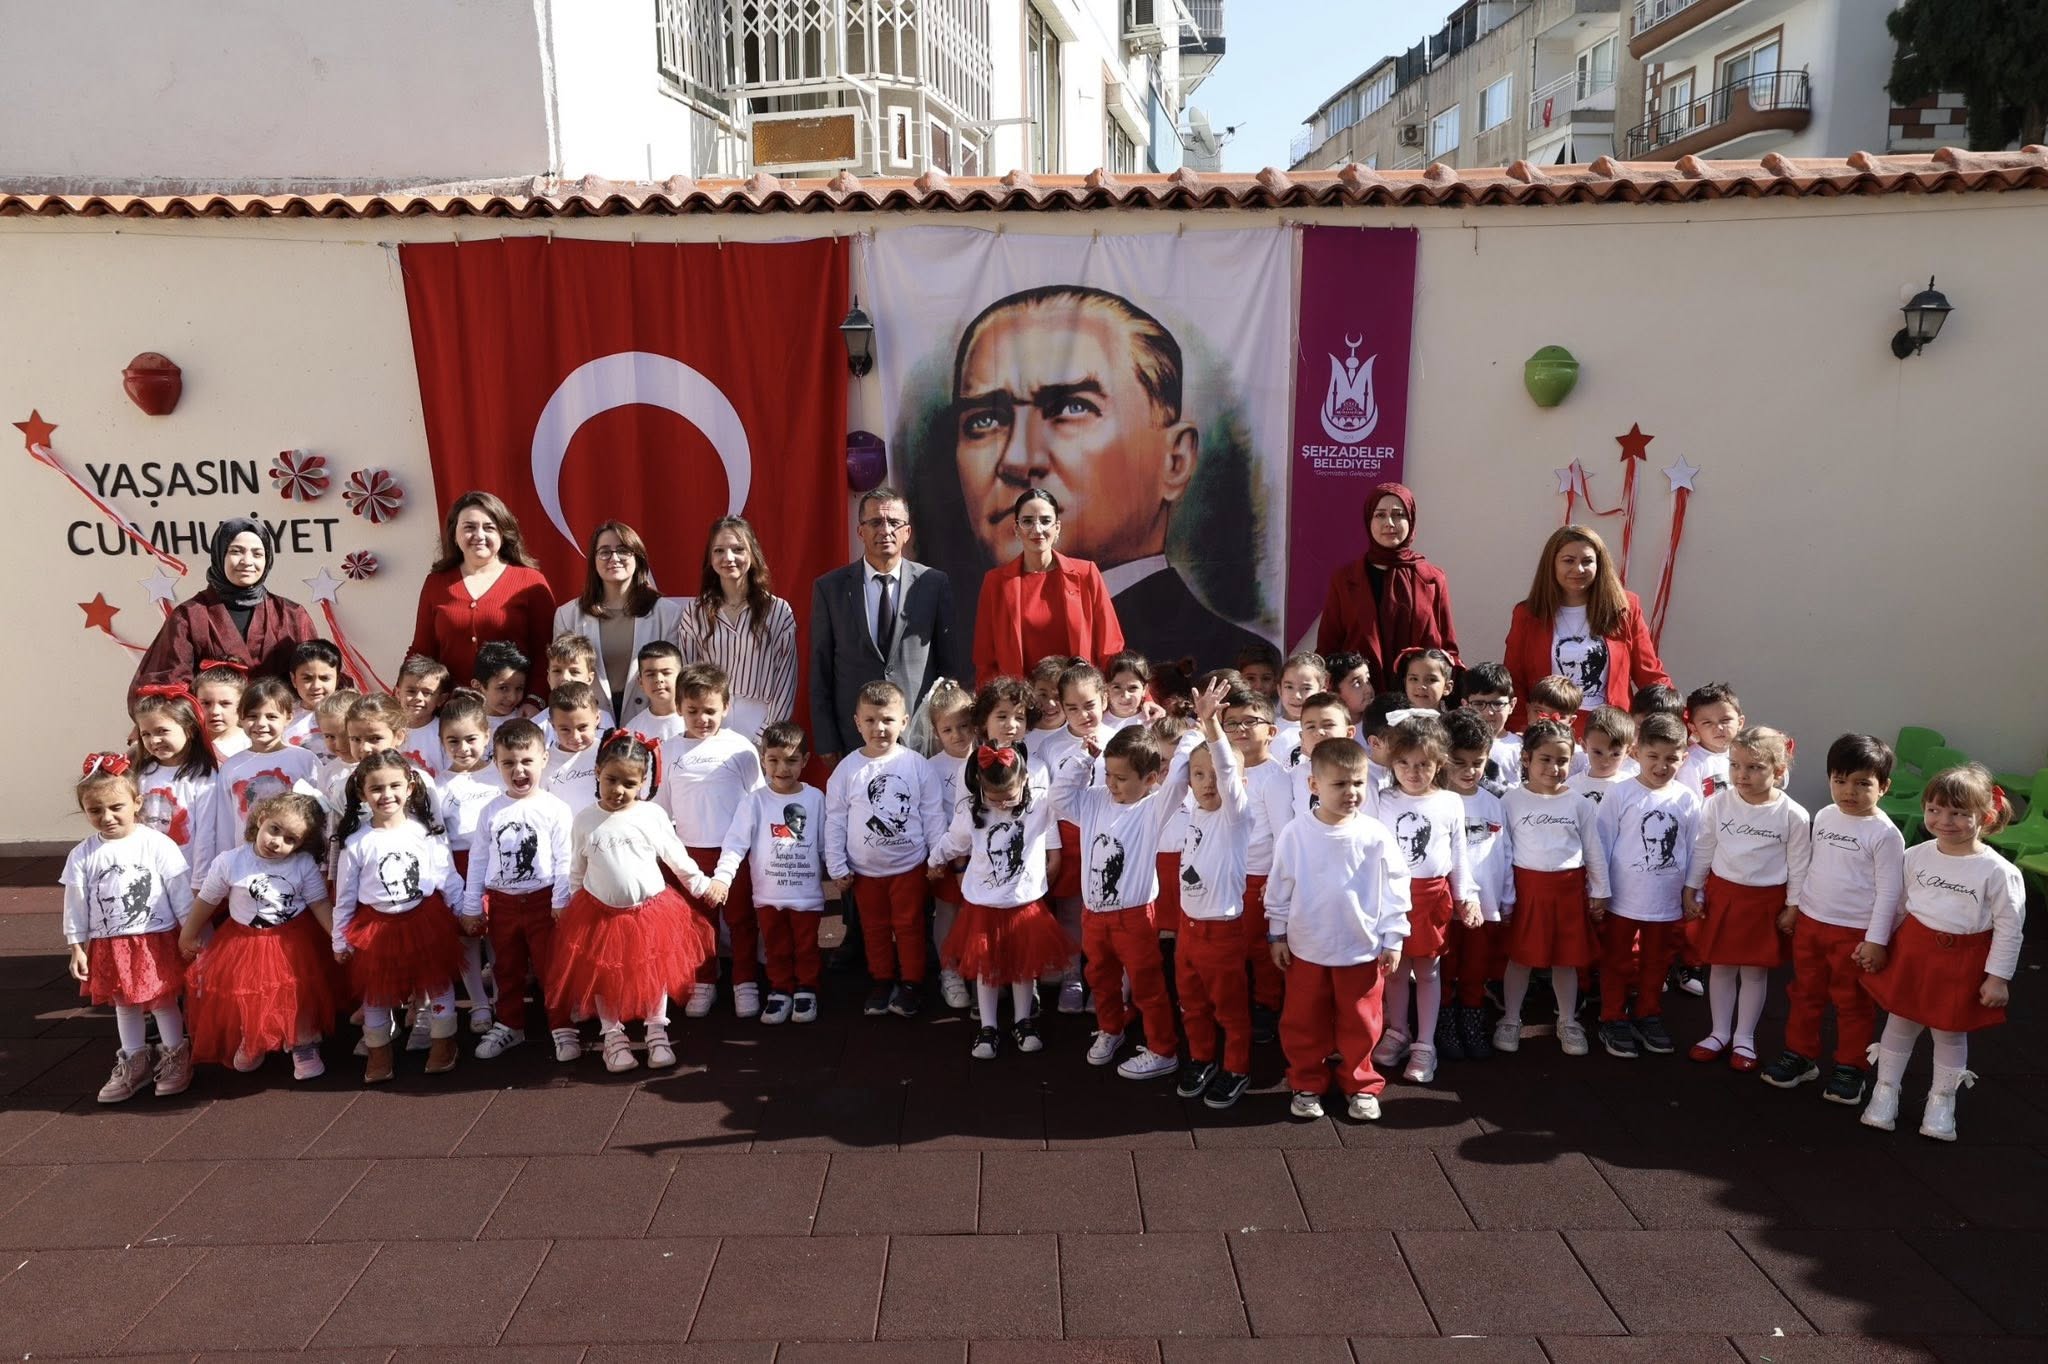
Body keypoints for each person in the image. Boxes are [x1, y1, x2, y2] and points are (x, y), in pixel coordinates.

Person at [948, 284, 1270, 670]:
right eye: (985, 419)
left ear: (1176, 460)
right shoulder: (956, 642)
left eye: (1070, 407)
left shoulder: (1229, 660)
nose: (1016, 459)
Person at [1858, 763, 2026, 1141]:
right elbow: (1897, 905)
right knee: (1899, 1022)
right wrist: (1877, 941)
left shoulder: (1998, 872)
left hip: (1962, 964)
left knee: (1949, 1033)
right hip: (1913, 955)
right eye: (1934, 810)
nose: (1944, 820)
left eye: (1958, 813)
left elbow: (2009, 928)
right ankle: (1886, 1091)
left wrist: (1998, 977)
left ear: (1985, 816)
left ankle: (1942, 1099)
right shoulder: (1916, 855)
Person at [551, 732, 717, 1074]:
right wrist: (568, 902)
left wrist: (701, 884)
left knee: (653, 971)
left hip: (650, 912)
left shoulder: (650, 815)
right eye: (612, 780)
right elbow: (576, 868)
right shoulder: (584, 820)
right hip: (599, 915)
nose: (619, 791)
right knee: (605, 975)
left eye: (629, 783)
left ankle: (657, 1031)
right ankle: (613, 1037)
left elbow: (676, 856)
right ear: (597, 771)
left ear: (643, 782)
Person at [1266, 737, 1410, 1123]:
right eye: (1340, 784)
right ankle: (1307, 1081)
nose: (1351, 793)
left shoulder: (1375, 834)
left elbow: (1396, 887)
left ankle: (1360, 1083)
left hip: (1360, 949)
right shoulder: (1296, 833)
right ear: (1314, 785)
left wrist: (1393, 937)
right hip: (1306, 948)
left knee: (1361, 1023)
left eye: (1358, 783)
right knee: (1302, 1021)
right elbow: (1280, 884)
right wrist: (1276, 933)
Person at [1050, 719, 1194, 1081]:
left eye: (1122, 777)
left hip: (1135, 918)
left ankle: (1163, 1050)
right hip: (1093, 917)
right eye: (1109, 774)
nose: (1112, 783)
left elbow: (1177, 779)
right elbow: (1059, 798)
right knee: (1100, 978)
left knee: (1147, 985)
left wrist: (1195, 731)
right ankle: (1110, 1030)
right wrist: (1085, 756)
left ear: (1149, 779)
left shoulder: (1154, 807)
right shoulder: (1095, 799)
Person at [1762, 734, 1903, 1103]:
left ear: (1883, 787)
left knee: (1852, 1001)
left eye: (1862, 783)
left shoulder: (1885, 834)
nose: (1849, 791)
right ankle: (1800, 1054)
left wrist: (1876, 940)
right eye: (1840, 781)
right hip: (1811, 924)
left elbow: (1890, 891)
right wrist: (1796, 908)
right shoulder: (1824, 815)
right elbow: (1810, 866)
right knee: (1804, 993)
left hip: (1855, 934)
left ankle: (1851, 1067)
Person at [64, 753, 195, 1103]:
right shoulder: (82, 855)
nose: (107, 817)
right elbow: (76, 904)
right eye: (95, 811)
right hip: (111, 944)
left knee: (163, 1001)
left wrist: (190, 932)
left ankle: (175, 1056)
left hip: (155, 939)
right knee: (124, 1004)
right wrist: (77, 945)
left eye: (116, 807)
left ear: (137, 803)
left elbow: (180, 892)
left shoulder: (156, 843)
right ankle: (135, 1059)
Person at [930, 740, 1071, 1059]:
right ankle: (988, 1027)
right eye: (994, 798)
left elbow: (1065, 793)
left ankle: (1023, 1022)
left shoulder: (1039, 808)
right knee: (986, 969)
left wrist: (1084, 761)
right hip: (984, 907)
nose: (1003, 803)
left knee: (1023, 968)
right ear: (980, 787)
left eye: (1009, 796)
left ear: (1024, 781)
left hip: (1024, 906)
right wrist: (935, 859)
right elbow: (956, 841)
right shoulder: (972, 812)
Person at [332, 750, 466, 1083]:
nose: (386, 795)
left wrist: (464, 911)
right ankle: (379, 1051)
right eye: (376, 788)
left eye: (394, 786)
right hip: (377, 928)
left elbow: (446, 876)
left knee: (438, 982)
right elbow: (345, 896)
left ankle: (443, 1042)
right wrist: (339, 938)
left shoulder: (425, 833)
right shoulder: (357, 843)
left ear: (409, 787)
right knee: (376, 992)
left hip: (425, 920)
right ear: (363, 793)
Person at [181, 792, 335, 1080]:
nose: (277, 842)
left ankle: (303, 1043)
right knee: (248, 994)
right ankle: (253, 1039)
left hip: (292, 942)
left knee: (296, 991)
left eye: (290, 839)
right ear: (261, 819)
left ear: (302, 844)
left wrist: (336, 936)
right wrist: (188, 933)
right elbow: (207, 899)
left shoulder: (302, 865)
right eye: (274, 830)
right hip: (244, 942)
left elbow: (319, 903)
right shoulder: (231, 861)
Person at [1683, 727, 1810, 1073]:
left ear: (1779, 771)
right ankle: (1719, 1033)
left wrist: (1793, 906)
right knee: (1721, 967)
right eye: (1735, 765)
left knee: (1754, 973)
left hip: (1766, 903)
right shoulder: (1718, 803)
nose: (1742, 775)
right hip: (1724, 896)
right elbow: (1704, 847)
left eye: (1754, 767)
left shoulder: (1793, 815)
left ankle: (1744, 1038)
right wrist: (1691, 888)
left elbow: (1799, 865)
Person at [810, 487, 965, 767]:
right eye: (876, 523)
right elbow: (820, 668)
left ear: (907, 532)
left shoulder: (933, 583)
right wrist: (826, 740)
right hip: (854, 737)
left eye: (894, 523)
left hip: (918, 735)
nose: (886, 530)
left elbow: (950, 667)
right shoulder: (830, 588)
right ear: (860, 531)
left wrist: (947, 729)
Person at [824, 681, 947, 1018]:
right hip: (864, 872)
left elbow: (933, 813)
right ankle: (881, 980)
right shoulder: (847, 769)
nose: (879, 728)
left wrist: (937, 858)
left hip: (909, 867)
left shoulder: (917, 765)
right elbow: (834, 819)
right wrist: (836, 865)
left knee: (909, 926)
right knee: (874, 927)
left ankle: (911, 984)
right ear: (857, 722)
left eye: (888, 720)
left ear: (904, 722)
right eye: (871, 720)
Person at [655, 663, 766, 1021]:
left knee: (740, 919)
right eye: (692, 711)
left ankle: (745, 979)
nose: (702, 718)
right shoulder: (667, 750)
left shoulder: (740, 748)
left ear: (726, 707)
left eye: (710, 711)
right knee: (698, 923)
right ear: (678, 708)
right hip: (688, 856)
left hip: (734, 855)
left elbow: (759, 801)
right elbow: (661, 808)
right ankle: (705, 980)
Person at [1372, 717, 1479, 1086]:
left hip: (1433, 898)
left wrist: (1467, 896)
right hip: (1392, 899)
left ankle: (1425, 1044)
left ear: (1439, 763)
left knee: (1429, 970)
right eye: (1404, 763)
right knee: (1396, 970)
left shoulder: (1450, 802)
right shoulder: (1382, 799)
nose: (1413, 772)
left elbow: (1459, 854)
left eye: (1423, 764)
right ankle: (1398, 1031)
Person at [1493, 719, 1609, 1057]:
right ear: (1526, 759)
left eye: (1562, 760)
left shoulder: (1579, 803)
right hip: (1527, 891)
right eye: (1545, 759)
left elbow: (1593, 850)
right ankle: (1511, 1017)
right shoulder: (1510, 801)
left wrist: (1600, 890)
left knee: (1565, 960)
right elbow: (1504, 851)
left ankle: (1568, 1020)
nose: (1554, 767)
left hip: (1569, 892)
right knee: (1520, 958)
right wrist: (1506, 897)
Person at [463, 719, 577, 1063]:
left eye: (526, 761)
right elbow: (478, 859)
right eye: (509, 763)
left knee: (551, 968)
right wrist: (472, 905)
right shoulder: (490, 811)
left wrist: (561, 900)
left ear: (544, 758)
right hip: (502, 905)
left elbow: (564, 858)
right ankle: (511, 1024)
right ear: (496, 763)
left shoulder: (555, 808)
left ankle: (562, 1025)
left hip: (544, 903)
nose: (519, 770)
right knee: (506, 969)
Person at [701, 722, 829, 1026]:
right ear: (762, 759)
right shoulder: (754, 801)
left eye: (791, 760)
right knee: (775, 945)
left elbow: (826, 842)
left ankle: (807, 990)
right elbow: (734, 844)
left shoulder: (816, 799)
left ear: (805, 761)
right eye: (773, 760)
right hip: (768, 895)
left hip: (806, 895)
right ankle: (780, 989)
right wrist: (722, 877)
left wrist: (836, 870)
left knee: (807, 945)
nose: (782, 768)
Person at [1591, 712, 1698, 1059]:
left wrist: (1693, 891)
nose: (1662, 765)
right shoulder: (1621, 794)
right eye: (1654, 756)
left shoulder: (1686, 799)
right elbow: (1602, 843)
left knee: (1657, 961)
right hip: (1623, 899)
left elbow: (1695, 848)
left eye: (1671, 758)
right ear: (1637, 752)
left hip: (1666, 902)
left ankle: (1648, 1013)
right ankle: (1612, 1015)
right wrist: (1600, 890)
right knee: (1617, 959)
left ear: (1684, 756)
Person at [1170, 684, 1253, 1108]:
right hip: (1188, 932)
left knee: (1230, 1009)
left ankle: (1236, 1067)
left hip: (1222, 932)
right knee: (1192, 1003)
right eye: (1196, 775)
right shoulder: (1192, 813)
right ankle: (1202, 1059)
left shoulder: (1236, 817)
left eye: (1215, 776)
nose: (1207, 783)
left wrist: (1210, 723)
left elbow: (1223, 766)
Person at [1502, 525, 1670, 733]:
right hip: (1549, 735)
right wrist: (1520, 730)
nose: (1578, 569)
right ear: (1551, 564)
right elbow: (1514, 679)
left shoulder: (1625, 608)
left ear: (1599, 564)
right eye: (1568, 561)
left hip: (1611, 736)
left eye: (1587, 561)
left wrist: (1678, 721)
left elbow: (1650, 675)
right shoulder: (1527, 614)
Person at [131, 517, 320, 699]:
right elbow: (168, 684)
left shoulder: (291, 615)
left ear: (268, 559)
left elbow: (317, 673)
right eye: (236, 551)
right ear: (220, 554)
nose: (247, 561)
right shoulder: (190, 615)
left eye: (257, 554)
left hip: (278, 728)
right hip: (212, 727)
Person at [406, 491, 555, 709]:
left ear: (503, 534)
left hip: (515, 713)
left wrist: (535, 699)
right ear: (454, 534)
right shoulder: (436, 583)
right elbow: (422, 651)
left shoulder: (531, 582)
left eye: (489, 527)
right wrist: (402, 695)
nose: (479, 535)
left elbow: (547, 652)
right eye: (469, 527)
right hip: (453, 717)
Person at [972, 488, 1125, 683]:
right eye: (1027, 521)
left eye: (1045, 521)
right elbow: (986, 663)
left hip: (1077, 704)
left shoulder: (1086, 573)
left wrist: (1142, 698)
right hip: (1021, 706)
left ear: (1057, 528)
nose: (1037, 529)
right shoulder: (995, 583)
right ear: (1016, 529)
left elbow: (1111, 650)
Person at [1316, 483, 1461, 684]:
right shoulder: (1345, 579)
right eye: (1380, 515)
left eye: (1399, 514)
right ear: (1368, 520)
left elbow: (1448, 649)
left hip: (1418, 700)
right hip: (1362, 699)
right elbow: (1327, 647)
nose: (1390, 523)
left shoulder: (1433, 579)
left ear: (1411, 519)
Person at [551, 521, 686, 727]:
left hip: (650, 720)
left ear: (637, 558)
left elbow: (676, 676)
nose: (614, 558)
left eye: (623, 550)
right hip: (587, 724)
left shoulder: (667, 613)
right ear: (593, 561)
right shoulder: (568, 615)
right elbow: (561, 675)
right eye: (604, 552)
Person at [678, 516, 798, 744]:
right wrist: (698, 726)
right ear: (710, 558)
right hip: (710, 716)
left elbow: (786, 678)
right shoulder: (694, 612)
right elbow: (688, 673)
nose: (728, 558)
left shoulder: (778, 610)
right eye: (719, 550)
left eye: (737, 549)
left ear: (752, 554)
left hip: (761, 716)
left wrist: (767, 736)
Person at [1437, 709, 1509, 1061]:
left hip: (1488, 905)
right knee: (1445, 968)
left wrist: (1507, 897)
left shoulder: (1497, 803)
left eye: (1477, 762)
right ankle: (1444, 1023)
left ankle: (1472, 1019)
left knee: (1475, 970)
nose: (1469, 771)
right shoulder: (1434, 802)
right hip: (1445, 908)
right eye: (1459, 762)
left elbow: (1505, 852)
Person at [913, 678, 979, 1010]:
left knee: (979, 913)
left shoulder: (986, 758)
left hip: (981, 857)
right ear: (936, 732)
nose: (958, 735)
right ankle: (949, 971)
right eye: (948, 729)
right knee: (948, 912)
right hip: (947, 853)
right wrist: (943, 856)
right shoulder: (930, 768)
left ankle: (981, 970)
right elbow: (931, 815)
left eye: (964, 726)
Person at [211, 677, 319, 855]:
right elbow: (225, 824)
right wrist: (226, 862)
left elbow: (318, 815)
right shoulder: (232, 767)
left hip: (295, 860)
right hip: (245, 861)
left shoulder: (305, 760)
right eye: (252, 716)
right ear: (241, 718)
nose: (261, 724)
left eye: (271, 717)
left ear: (288, 717)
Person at [131, 687, 219, 896]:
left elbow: (206, 834)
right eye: (146, 734)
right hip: (146, 870)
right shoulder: (142, 775)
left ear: (189, 729)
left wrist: (200, 880)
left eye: (162, 731)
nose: (154, 740)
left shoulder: (204, 778)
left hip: (185, 874)